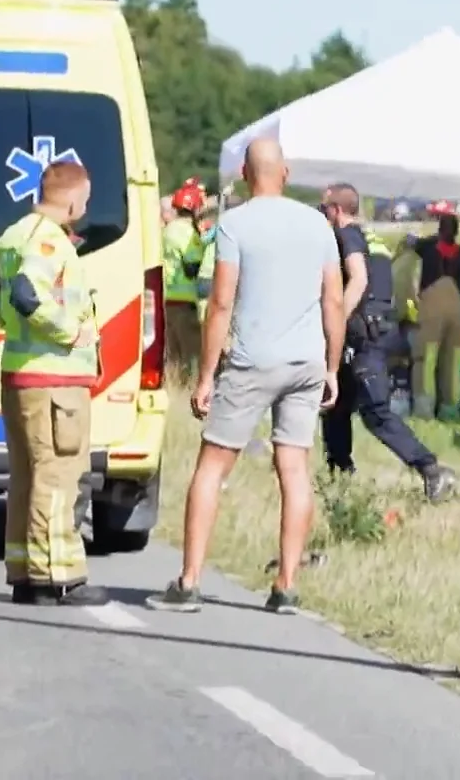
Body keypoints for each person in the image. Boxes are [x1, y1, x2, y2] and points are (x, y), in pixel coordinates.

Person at [147, 138, 343, 616]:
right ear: (287, 173)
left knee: (213, 465)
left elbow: (220, 302)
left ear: (244, 173)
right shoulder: (318, 223)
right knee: (294, 469)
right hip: (305, 361)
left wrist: (207, 375)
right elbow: (333, 300)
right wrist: (333, 367)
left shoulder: (235, 224)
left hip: (253, 358)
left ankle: (190, 580)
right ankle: (287, 584)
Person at [0, 161, 108, 607]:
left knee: (27, 478)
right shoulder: (50, 241)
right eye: (87, 199)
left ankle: (24, 573)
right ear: (74, 199)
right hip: (55, 379)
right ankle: (58, 578)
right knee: (58, 476)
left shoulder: (16, 233)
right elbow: (27, 291)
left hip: (19, 375)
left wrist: (4, 317)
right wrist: (68, 332)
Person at [318, 184, 457, 501]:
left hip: (367, 338)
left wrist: (336, 319)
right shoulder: (373, 240)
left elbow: (359, 279)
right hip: (373, 333)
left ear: (337, 210)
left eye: (325, 208)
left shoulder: (347, 235)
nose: (323, 214)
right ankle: (339, 473)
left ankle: (432, 469)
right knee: (336, 406)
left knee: (376, 412)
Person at [406, 203, 460, 418]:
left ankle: (424, 409)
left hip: (431, 309)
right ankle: (450, 409)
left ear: (440, 230)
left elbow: (412, 244)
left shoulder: (427, 249)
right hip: (457, 309)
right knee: (453, 361)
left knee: (425, 359)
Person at [160, 179, 207, 383]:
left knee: (173, 357)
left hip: (166, 299)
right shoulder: (188, 233)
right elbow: (192, 267)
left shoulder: (168, 229)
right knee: (191, 357)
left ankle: (173, 391)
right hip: (185, 302)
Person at [192, 204, 220, 325]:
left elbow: (203, 240)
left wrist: (202, 231)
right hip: (215, 274)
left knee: (202, 304)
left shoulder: (217, 228)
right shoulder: (227, 229)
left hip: (204, 273)